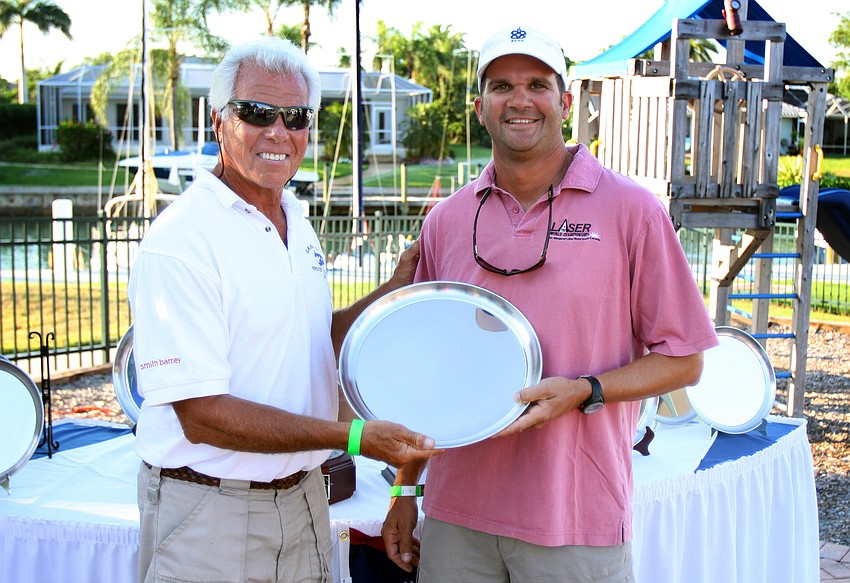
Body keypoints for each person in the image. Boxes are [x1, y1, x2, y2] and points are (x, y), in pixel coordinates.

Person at [381, 25, 719, 582]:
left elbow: (685, 359)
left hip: (575, 520)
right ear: (480, 106)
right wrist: (404, 488)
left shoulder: (632, 211)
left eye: (537, 84)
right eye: (501, 86)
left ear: (564, 102)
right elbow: (431, 373)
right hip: (456, 518)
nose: (520, 100)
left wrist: (586, 391)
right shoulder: (446, 220)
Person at [128, 37, 440, 583]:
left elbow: (316, 339)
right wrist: (350, 439)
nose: (278, 132)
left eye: (296, 116)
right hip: (211, 515)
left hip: (303, 503)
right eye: (256, 112)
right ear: (217, 120)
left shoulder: (295, 220)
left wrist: (394, 289)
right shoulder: (183, 240)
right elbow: (201, 415)